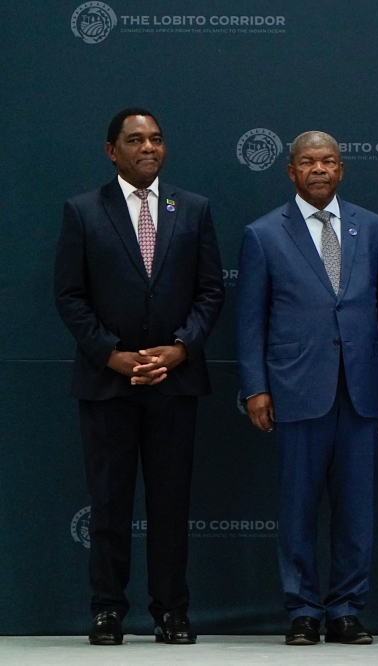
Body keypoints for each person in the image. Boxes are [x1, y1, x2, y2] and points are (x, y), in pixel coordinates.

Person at [54, 108, 224, 646]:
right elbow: (70, 296)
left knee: (171, 504)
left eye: (155, 139)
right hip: (108, 384)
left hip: (175, 383)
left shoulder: (192, 208)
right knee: (109, 502)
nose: (147, 147)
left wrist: (180, 349)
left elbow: (210, 290)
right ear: (112, 151)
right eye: (134, 140)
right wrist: (113, 355)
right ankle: (107, 610)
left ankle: (171, 611)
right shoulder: (83, 211)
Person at [236, 131, 378, 646]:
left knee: (355, 508)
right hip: (294, 389)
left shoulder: (373, 229)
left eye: (328, 161)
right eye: (308, 162)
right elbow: (249, 322)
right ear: (291, 171)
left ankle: (347, 608)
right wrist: (255, 388)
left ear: (341, 169)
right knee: (298, 506)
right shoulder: (263, 234)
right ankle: (303, 609)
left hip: (360, 390)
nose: (319, 169)